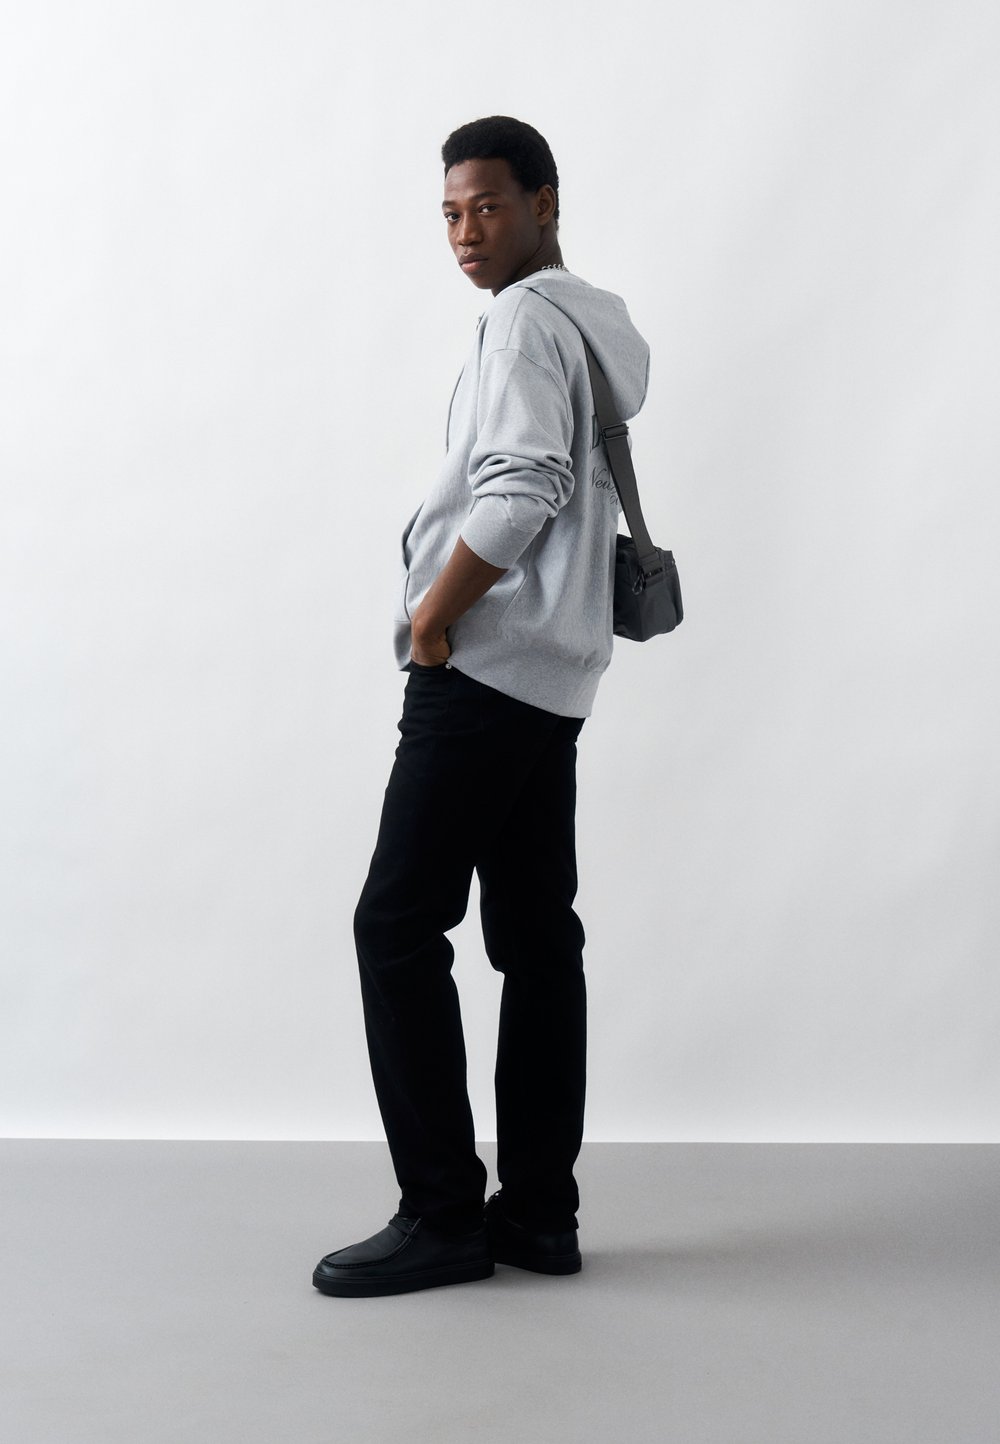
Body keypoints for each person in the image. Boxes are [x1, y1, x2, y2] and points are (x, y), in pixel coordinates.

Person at [313, 116, 650, 1298]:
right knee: (535, 934)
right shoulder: (582, 320)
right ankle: (539, 1215)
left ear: (544, 203)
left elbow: (521, 488)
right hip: (555, 675)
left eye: (490, 205)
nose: (466, 232)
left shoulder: (520, 322)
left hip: (485, 668)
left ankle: (443, 1213)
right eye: (451, 212)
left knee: (395, 925)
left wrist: (431, 617)